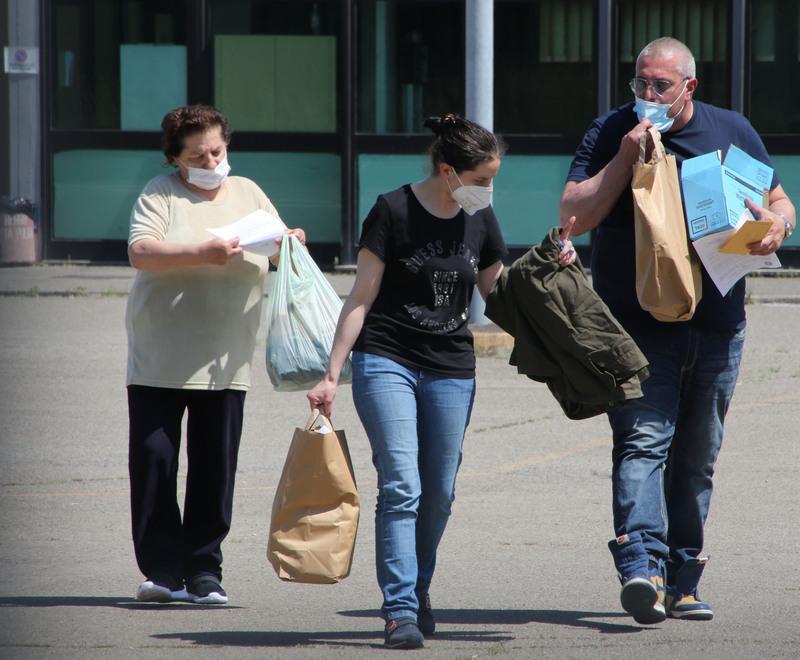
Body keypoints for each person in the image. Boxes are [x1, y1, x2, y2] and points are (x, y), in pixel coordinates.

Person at [307, 113, 575, 649]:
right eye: (481, 180)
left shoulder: (481, 218)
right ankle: (399, 607)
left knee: (440, 494)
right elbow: (360, 297)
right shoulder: (393, 209)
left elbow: (501, 292)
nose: (488, 190)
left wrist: (552, 264)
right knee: (402, 485)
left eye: (492, 179)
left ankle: (419, 587)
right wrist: (332, 373)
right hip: (387, 359)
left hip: (451, 366)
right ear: (449, 171)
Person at [560, 37, 797, 624]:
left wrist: (778, 227)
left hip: (717, 326)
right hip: (635, 328)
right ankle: (641, 566)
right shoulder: (610, 129)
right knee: (642, 443)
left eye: (659, 86)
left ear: (688, 88)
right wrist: (623, 156)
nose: (646, 94)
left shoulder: (730, 129)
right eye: (639, 82)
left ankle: (684, 577)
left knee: (696, 458)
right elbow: (573, 214)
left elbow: (778, 200)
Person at [125, 104, 306, 605]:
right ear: (175, 160)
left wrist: (290, 243)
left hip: (227, 359)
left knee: (214, 467)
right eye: (197, 155)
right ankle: (162, 571)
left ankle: (205, 570)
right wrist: (201, 253)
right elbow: (141, 251)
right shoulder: (160, 194)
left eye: (217, 150)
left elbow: (277, 248)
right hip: (160, 356)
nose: (210, 161)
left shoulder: (248, 192)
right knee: (155, 462)